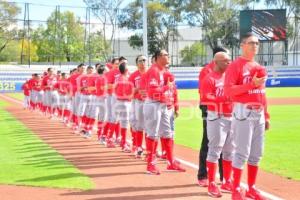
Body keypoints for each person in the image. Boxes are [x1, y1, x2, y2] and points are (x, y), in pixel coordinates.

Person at [224, 32, 270, 200]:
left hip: (258, 114)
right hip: (243, 111)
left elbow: (262, 93)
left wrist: (266, 115)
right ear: (242, 45)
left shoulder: (258, 66)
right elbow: (229, 91)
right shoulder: (235, 66)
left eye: (257, 43)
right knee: (242, 152)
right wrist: (251, 84)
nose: (255, 46)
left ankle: (251, 188)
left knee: (257, 153)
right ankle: (236, 189)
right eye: (251, 43)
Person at [143, 49, 185, 175]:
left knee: (167, 133)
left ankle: (171, 162)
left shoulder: (163, 71)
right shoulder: (154, 70)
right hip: (153, 104)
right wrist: (168, 87)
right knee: (152, 134)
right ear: (158, 57)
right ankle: (151, 164)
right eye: (166, 55)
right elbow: (153, 92)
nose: (168, 56)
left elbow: (169, 87)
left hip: (162, 105)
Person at [201, 52, 233, 198]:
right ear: (217, 62)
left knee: (229, 151)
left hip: (231, 116)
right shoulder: (209, 78)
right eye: (226, 61)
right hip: (216, 117)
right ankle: (212, 184)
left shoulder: (230, 77)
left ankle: (227, 180)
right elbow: (206, 98)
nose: (229, 63)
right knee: (214, 150)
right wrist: (224, 98)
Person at [197, 47, 228, 186]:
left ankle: (224, 176)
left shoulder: (226, 72)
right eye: (226, 59)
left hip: (226, 110)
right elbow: (205, 92)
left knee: (226, 143)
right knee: (208, 141)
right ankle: (203, 175)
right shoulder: (207, 71)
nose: (228, 61)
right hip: (209, 107)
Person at [129, 55, 148, 158]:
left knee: (150, 126)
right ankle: (139, 147)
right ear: (137, 63)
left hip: (151, 102)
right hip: (138, 102)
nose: (143, 62)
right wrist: (137, 89)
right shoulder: (133, 76)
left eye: (144, 60)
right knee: (140, 125)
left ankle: (150, 149)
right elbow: (129, 91)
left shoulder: (151, 74)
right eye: (140, 61)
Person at [114, 62, 134, 152]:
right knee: (125, 122)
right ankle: (123, 142)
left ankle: (123, 141)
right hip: (124, 102)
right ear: (126, 70)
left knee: (124, 122)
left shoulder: (119, 77)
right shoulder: (124, 79)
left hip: (121, 101)